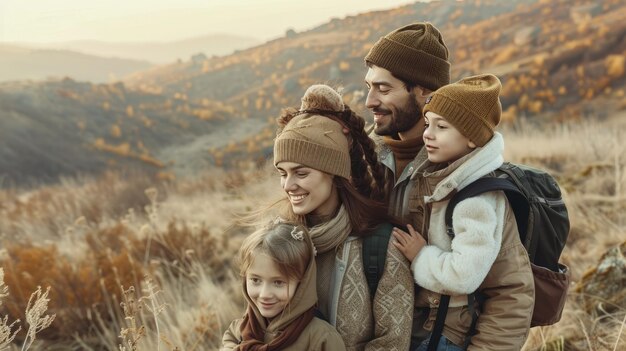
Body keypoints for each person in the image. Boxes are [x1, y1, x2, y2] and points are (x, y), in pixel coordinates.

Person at [391, 74, 535, 350]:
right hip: (426, 328)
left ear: (471, 138)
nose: (428, 134)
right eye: (428, 123)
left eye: (441, 127)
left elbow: (464, 274)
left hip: (444, 336)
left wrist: (421, 256)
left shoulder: (476, 199)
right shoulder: (441, 179)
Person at [272, 84, 414, 350]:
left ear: (335, 173)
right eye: (283, 173)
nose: (288, 185)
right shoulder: (277, 243)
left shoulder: (381, 247)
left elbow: (392, 344)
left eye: (301, 174)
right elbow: (253, 326)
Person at [363, 21, 451, 225]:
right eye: (369, 87)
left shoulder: (456, 168)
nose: (369, 102)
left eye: (383, 89)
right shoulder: (360, 156)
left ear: (425, 91)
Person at [221, 221, 346, 350]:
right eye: (256, 280)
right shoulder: (238, 331)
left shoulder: (322, 338)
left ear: (302, 283)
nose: (264, 294)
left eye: (278, 282)